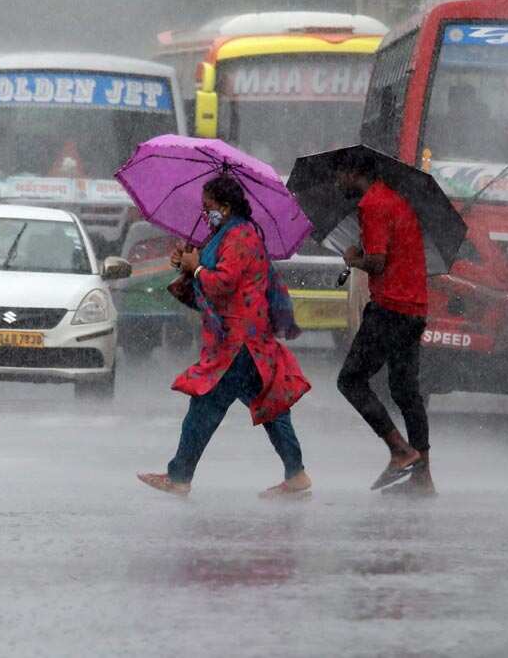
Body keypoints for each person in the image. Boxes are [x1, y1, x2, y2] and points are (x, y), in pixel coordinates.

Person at [138, 175, 312, 499]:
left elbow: (223, 282)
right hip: (248, 341)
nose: (205, 214)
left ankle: (179, 477)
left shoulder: (239, 236)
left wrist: (197, 269)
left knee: (205, 406)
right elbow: (211, 273)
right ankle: (296, 474)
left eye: (209, 207)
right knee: (271, 408)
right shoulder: (227, 234)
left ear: (226, 206)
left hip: (238, 344)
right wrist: (187, 263)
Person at [334, 150, 434, 496]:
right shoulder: (394, 201)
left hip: (390, 308)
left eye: (340, 175)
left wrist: (353, 258)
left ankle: (400, 450)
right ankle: (423, 478)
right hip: (414, 307)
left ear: (353, 173)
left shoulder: (373, 205)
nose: (337, 182)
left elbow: (377, 262)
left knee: (350, 380)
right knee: (406, 391)